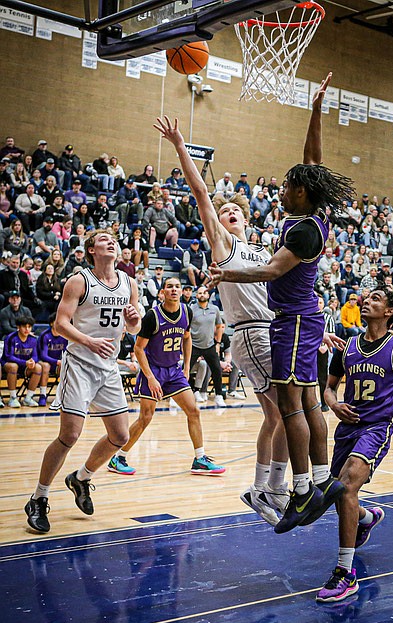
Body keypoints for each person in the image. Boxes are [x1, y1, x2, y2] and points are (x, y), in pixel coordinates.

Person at [158, 72, 351, 533]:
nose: (230, 214)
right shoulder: (224, 243)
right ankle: (282, 488)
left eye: (236, 211)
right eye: (226, 212)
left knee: (290, 410)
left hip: (285, 324)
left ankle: (285, 487)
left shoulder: (270, 246)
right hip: (256, 331)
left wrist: (230, 275)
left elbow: (270, 271)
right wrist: (183, 147)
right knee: (288, 410)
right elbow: (203, 194)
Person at [24, 229, 141, 533]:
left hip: (108, 367)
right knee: (70, 436)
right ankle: (38, 497)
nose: (111, 241)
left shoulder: (129, 283)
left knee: (120, 436)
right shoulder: (79, 281)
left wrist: (133, 319)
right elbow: (60, 324)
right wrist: (88, 341)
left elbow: (133, 328)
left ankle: (81, 477)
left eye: (114, 238)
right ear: (92, 249)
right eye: (104, 239)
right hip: (79, 363)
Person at [317, 285, 393, 602]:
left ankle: (345, 573)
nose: (366, 301)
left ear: (389, 311)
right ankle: (367, 518)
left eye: (375, 299)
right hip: (346, 429)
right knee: (340, 494)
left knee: (348, 486)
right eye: (367, 298)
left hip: (376, 428)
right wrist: (335, 405)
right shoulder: (348, 346)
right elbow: (328, 389)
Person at [107, 277, 225, 476]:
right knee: (146, 417)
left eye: (177, 286)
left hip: (173, 370)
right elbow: (138, 348)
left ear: (181, 292)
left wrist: (187, 366)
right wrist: (150, 377)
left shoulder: (187, 311)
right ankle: (118, 457)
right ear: (162, 292)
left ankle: (200, 459)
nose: (174, 289)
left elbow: (187, 338)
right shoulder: (153, 316)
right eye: (169, 286)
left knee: (194, 411)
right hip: (153, 370)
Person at [189, 286, 226, 407]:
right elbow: (186, 328)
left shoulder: (214, 309)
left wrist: (218, 343)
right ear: (196, 295)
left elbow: (219, 326)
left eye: (204, 293)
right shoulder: (191, 309)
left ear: (208, 295)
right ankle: (180, 395)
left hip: (210, 345)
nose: (202, 295)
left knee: (216, 370)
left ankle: (219, 396)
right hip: (194, 344)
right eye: (199, 293)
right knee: (185, 370)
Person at [1, 315, 42, 408]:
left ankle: (28, 398)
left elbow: (35, 356)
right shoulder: (11, 338)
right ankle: (13, 398)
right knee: (13, 366)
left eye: (29, 327)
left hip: (25, 366)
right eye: (24, 326)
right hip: (8, 365)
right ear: (18, 327)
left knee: (38, 367)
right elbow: (8, 356)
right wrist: (25, 362)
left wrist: (32, 361)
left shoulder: (33, 339)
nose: (27, 329)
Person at [37, 312, 68, 406]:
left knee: (68, 366)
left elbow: (67, 352)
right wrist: (57, 361)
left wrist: (64, 362)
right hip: (42, 362)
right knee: (46, 366)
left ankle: (64, 396)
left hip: (57, 363)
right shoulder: (45, 335)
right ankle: (42, 395)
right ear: (51, 323)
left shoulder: (64, 336)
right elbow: (43, 355)